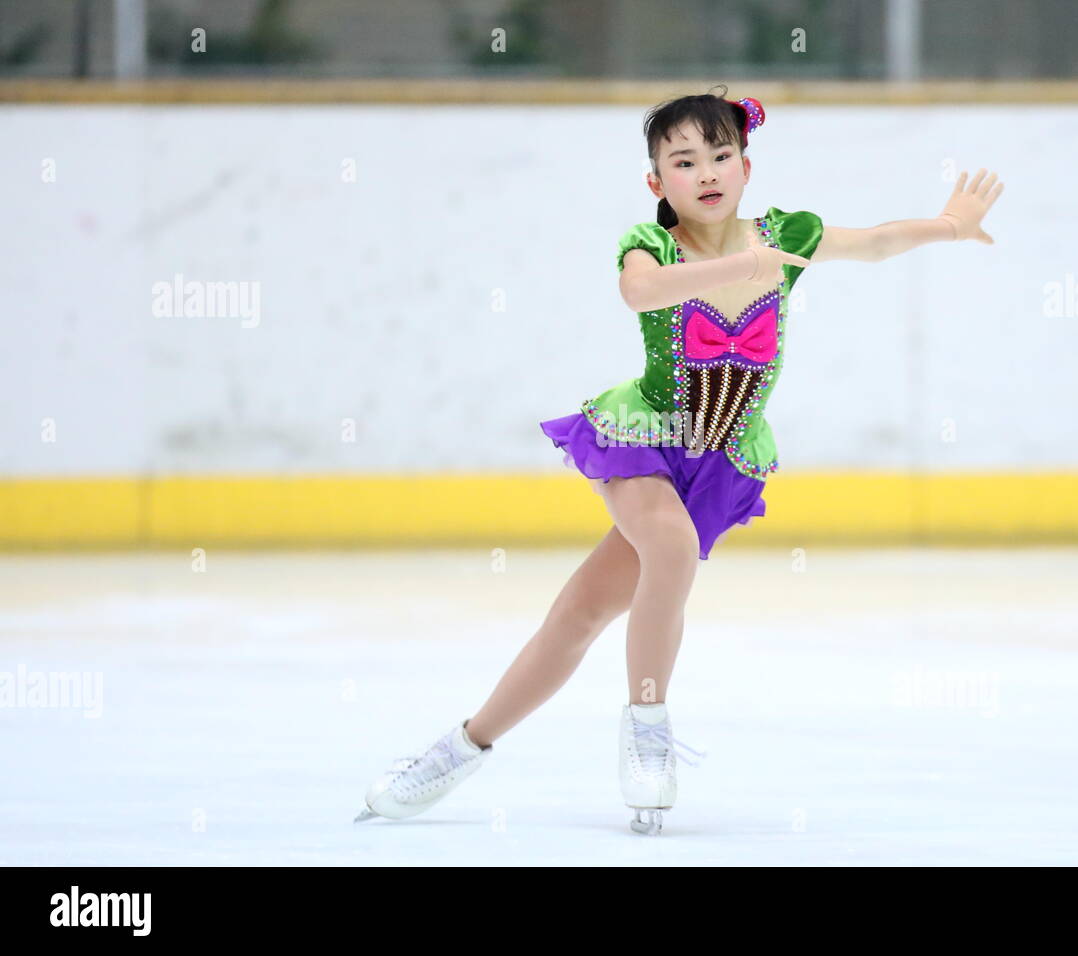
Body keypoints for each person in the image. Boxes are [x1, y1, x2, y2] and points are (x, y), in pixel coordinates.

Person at [356, 85, 1005, 834]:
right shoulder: (654, 243)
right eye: (684, 160)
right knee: (666, 545)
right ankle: (648, 727)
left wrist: (949, 226)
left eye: (720, 155)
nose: (706, 172)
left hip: (721, 457)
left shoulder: (786, 234)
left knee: (579, 614)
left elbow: (874, 241)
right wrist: (736, 270)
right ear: (657, 181)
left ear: (745, 166)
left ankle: (460, 746)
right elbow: (639, 292)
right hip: (647, 435)